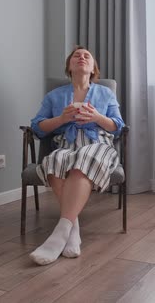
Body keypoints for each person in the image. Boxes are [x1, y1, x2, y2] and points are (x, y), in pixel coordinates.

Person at [28, 46, 124, 265]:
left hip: (98, 144)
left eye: (86, 56)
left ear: (93, 69)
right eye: (76, 56)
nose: (81, 57)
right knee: (54, 160)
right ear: (69, 67)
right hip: (66, 144)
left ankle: (59, 233)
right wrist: (61, 119)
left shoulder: (105, 94)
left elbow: (118, 127)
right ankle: (72, 229)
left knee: (85, 158)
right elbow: (38, 127)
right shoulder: (54, 96)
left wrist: (98, 117)